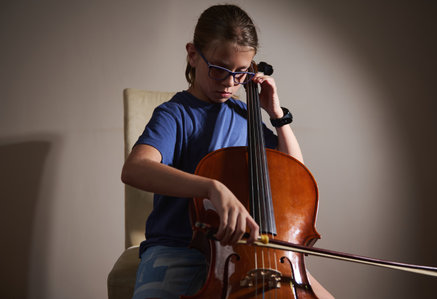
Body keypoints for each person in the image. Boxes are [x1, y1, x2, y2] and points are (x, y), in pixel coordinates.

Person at [122, 4, 333, 299]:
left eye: (241, 73)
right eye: (220, 69)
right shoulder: (174, 114)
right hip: (177, 252)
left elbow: (294, 179)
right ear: (193, 55)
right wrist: (211, 188)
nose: (230, 83)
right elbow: (135, 169)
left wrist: (276, 115)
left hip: (250, 256)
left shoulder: (246, 115)